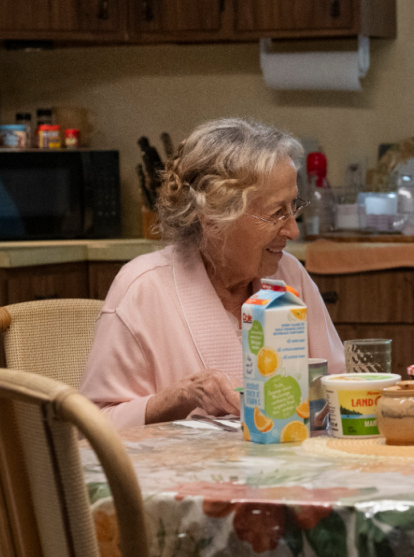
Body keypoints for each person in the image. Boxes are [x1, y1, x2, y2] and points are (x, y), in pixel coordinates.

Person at [81, 118, 344, 428]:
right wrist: (180, 397)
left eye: (293, 207)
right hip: (178, 474)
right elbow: (89, 428)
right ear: (214, 217)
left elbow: (337, 390)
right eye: (277, 212)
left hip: (284, 472)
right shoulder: (143, 288)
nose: (293, 230)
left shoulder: (288, 275)